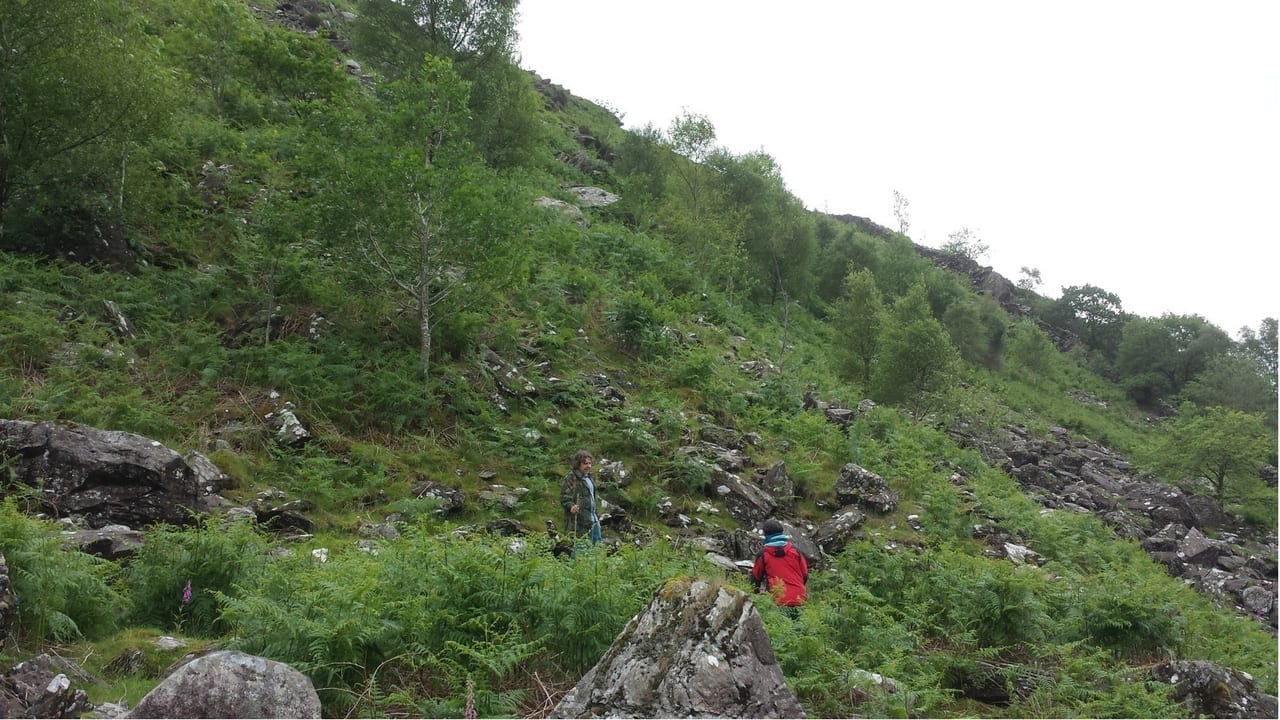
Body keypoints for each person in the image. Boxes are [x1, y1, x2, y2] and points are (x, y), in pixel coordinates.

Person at [751, 518, 808, 616]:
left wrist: (756, 596)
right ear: (782, 533)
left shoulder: (763, 554)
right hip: (799, 599)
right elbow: (805, 575)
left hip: (778, 600)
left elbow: (755, 578)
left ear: (766, 535)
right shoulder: (795, 551)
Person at [559, 450, 602, 549]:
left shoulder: (590, 478)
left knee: (598, 548)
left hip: (593, 519)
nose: (588, 466)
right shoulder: (571, 478)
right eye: (585, 463)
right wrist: (571, 506)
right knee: (581, 548)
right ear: (578, 464)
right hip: (579, 521)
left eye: (590, 463)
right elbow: (564, 497)